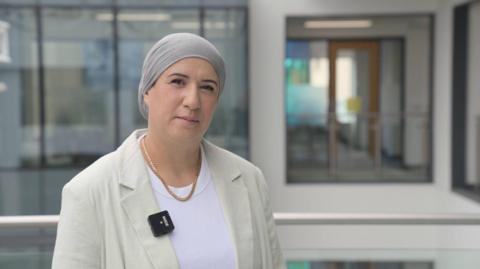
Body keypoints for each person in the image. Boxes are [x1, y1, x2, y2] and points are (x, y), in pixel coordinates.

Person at [52, 33, 285, 269]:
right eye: (178, 82)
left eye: (207, 87)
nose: (193, 101)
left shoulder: (249, 179)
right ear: (147, 91)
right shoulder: (90, 191)